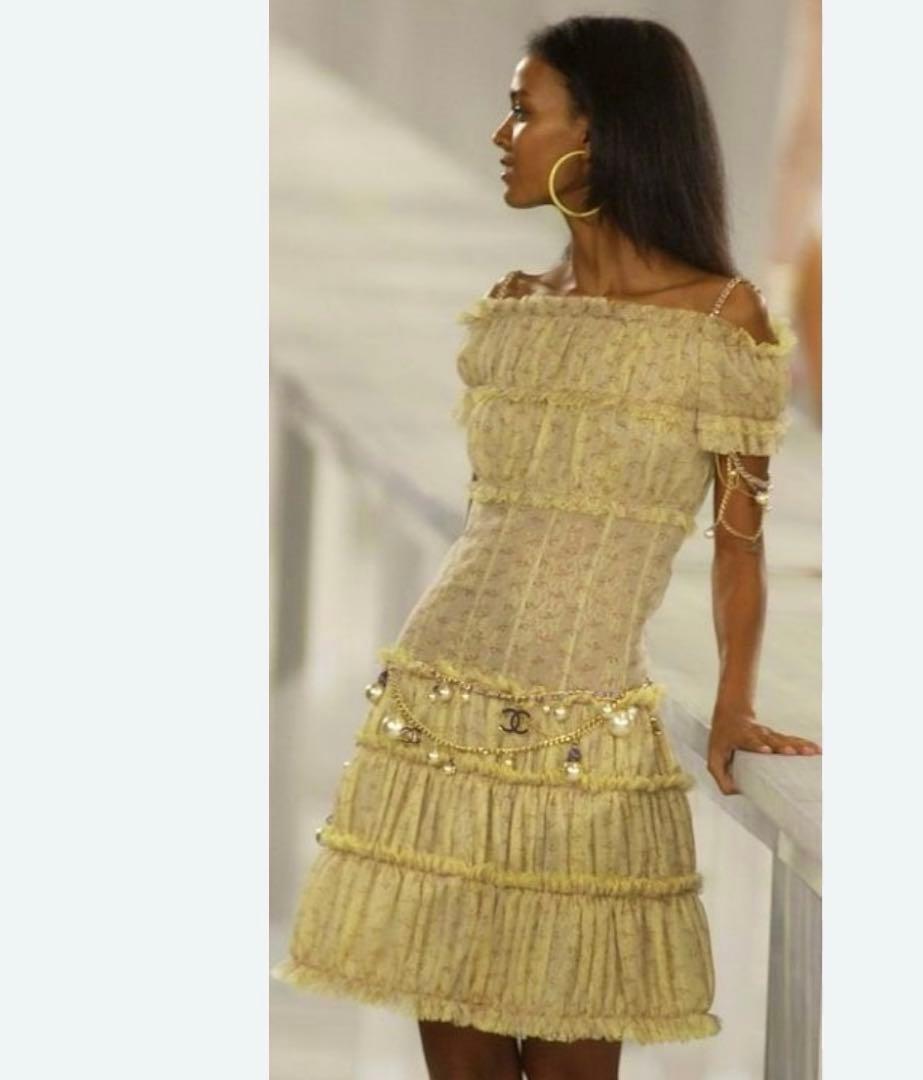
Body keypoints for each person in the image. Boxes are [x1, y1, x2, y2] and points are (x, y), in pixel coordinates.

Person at [271, 15, 821, 1080]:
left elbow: (737, 547)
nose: (502, 134)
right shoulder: (515, 310)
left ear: (601, 134)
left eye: (524, 112)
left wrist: (737, 704)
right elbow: (498, 519)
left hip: (588, 750)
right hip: (437, 721)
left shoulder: (723, 321)